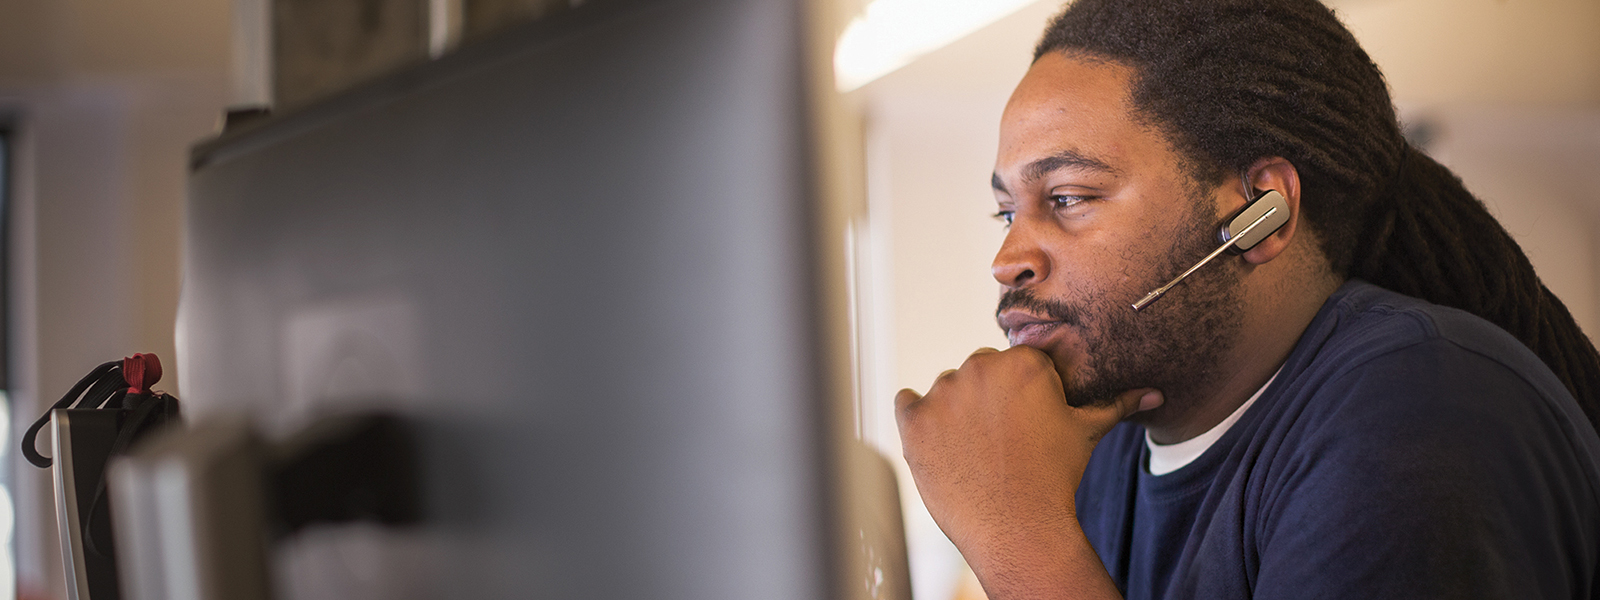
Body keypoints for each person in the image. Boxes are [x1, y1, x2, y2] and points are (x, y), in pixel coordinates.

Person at [892, 1, 1600, 598]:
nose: (1007, 260)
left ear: (1261, 212)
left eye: (1069, 197)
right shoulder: (1101, 456)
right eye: (1006, 213)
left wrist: (1018, 541)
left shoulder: (1418, 409)